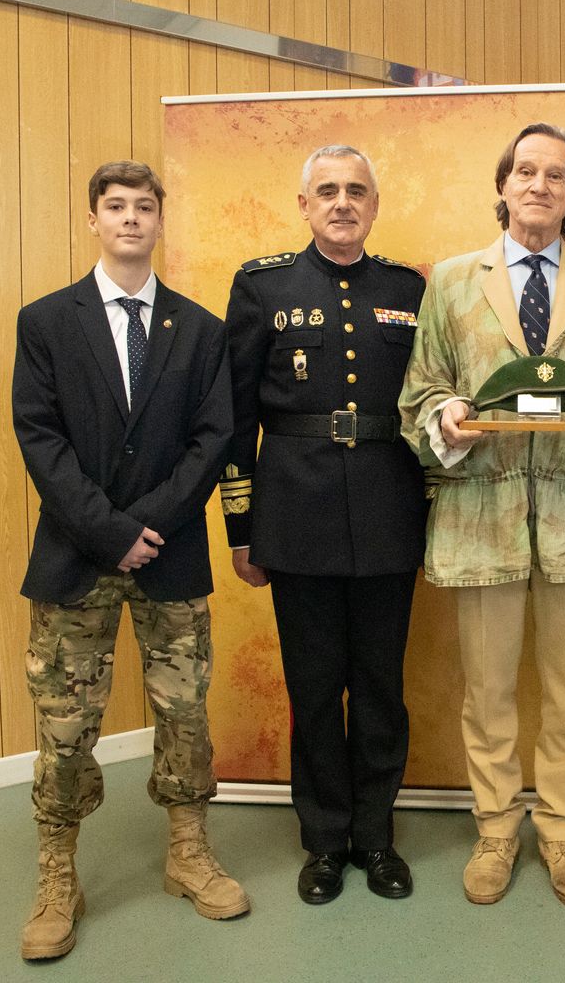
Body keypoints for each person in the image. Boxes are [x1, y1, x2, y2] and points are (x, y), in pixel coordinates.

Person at [399, 123, 565, 908]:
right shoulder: (448, 282)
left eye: (558, 175)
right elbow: (420, 392)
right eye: (527, 171)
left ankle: (564, 835)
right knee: (488, 691)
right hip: (483, 511)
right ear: (504, 185)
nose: (540, 185)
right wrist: (447, 418)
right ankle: (497, 831)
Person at [12, 161, 247, 961]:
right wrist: (110, 531)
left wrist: (148, 525)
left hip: (171, 556)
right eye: (115, 207)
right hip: (76, 557)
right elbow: (39, 438)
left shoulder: (199, 328)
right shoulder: (45, 322)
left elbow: (213, 439)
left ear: (159, 220)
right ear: (93, 220)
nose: (131, 219)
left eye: (144, 207)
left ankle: (188, 853)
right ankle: (57, 875)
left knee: (184, 710)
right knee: (66, 724)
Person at [220, 145, 426, 905]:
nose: (343, 203)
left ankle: (376, 838)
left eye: (357, 192)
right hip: (295, 511)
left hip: (387, 509)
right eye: (328, 191)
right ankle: (324, 841)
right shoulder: (262, 285)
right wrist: (241, 526)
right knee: (313, 688)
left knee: (379, 687)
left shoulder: (406, 288)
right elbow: (236, 417)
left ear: (375, 206)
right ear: (304, 204)